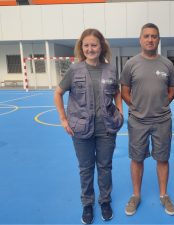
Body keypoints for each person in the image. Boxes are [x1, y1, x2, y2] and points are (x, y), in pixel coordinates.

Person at [54, 28, 123, 224]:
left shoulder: (110, 69)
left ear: (101, 47)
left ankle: (105, 201)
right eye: (86, 45)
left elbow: (116, 91)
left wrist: (119, 110)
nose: (90, 49)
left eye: (94, 45)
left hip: (107, 128)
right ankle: (87, 203)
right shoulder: (74, 70)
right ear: (81, 48)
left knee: (105, 167)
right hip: (81, 129)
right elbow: (57, 93)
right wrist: (63, 119)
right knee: (86, 168)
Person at [120, 23, 174, 216]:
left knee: (163, 159)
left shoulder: (167, 64)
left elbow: (172, 90)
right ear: (140, 39)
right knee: (137, 159)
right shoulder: (131, 64)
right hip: (138, 121)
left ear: (158, 40)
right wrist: (136, 107)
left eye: (154, 36)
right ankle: (136, 195)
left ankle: (163, 195)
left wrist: (162, 104)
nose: (150, 39)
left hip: (162, 121)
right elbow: (124, 91)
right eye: (146, 36)